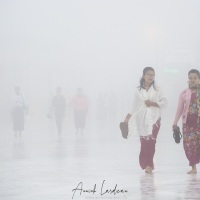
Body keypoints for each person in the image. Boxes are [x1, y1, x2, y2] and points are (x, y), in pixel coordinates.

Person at [124, 67, 167, 173]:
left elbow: (164, 102)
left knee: (151, 141)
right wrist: (126, 119)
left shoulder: (158, 89)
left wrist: (153, 103)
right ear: (143, 76)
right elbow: (133, 106)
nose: (150, 76)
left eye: (153, 75)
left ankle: (149, 165)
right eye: (148, 74)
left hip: (155, 119)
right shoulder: (138, 91)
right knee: (144, 142)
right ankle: (145, 163)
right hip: (141, 120)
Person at [173, 69, 200, 174]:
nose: (192, 80)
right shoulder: (184, 93)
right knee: (189, 146)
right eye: (190, 78)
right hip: (188, 124)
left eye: (195, 78)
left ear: (199, 79)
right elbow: (179, 109)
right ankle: (193, 168)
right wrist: (175, 123)